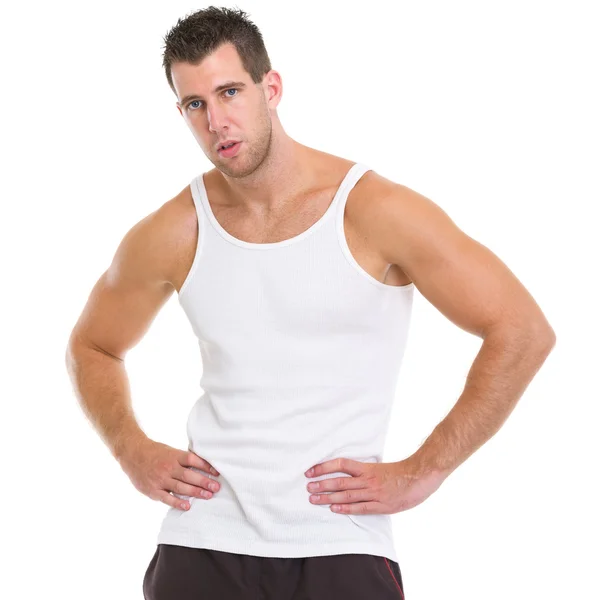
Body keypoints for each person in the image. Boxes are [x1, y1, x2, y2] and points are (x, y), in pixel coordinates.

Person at [65, 6, 556, 600]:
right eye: (196, 104)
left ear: (270, 88)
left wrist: (424, 470)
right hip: (202, 542)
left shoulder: (373, 210)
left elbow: (522, 330)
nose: (217, 120)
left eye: (229, 92)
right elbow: (92, 345)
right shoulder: (174, 230)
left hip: (339, 542)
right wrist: (130, 448)